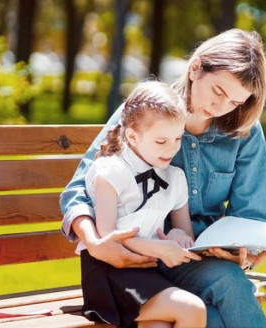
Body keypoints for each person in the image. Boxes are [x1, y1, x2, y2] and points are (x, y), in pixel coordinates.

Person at [61, 28, 266, 327]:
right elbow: (81, 186)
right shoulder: (147, 111)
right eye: (218, 92)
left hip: (196, 258)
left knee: (227, 285)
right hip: (137, 255)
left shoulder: (243, 131)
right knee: (212, 312)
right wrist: (96, 242)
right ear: (196, 68)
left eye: (236, 102)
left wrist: (244, 251)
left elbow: (251, 215)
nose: (222, 107)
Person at [78, 80, 206, 328]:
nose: (172, 149)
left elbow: (184, 231)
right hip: (110, 274)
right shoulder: (110, 172)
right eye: (161, 141)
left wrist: (177, 235)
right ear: (133, 137)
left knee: (159, 325)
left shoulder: (175, 178)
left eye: (178, 138)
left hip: (148, 274)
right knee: (193, 309)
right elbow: (108, 237)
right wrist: (158, 249)